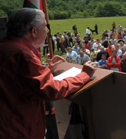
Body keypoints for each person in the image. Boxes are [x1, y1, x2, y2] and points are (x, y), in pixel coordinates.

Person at [0, 8, 96, 138]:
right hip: (17, 129)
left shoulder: (7, 46)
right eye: (45, 26)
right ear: (34, 31)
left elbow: (19, 80)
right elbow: (51, 90)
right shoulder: (23, 55)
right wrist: (84, 75)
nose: (48, 30)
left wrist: (44, 69)